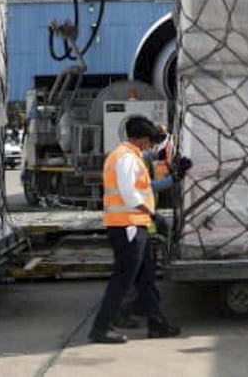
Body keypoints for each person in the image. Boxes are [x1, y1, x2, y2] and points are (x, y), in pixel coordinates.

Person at [89, 116, 180, 344]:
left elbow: (144, 186)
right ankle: (101, 328)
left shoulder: (129, 156)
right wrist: (153, 215)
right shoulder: (126, 158)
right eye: (149, 141)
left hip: (135, 225)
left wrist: (172, 177)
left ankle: (157, 324)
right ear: (141, 139)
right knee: (122, 280)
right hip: (127, 227)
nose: (150, 145)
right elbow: (130, 195)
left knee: (146, 278)